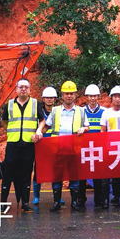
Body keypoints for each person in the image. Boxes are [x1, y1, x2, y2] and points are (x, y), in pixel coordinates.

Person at [40, 81, 90, 212]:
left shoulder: (81, 111)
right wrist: (39, 133)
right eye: (66, 93)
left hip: (74, 148)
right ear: (62, 95)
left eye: (71, 93)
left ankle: (74, 202)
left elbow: (87, 127)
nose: (69, 96)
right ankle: (56, 202)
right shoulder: (55, 110)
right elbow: (46, 126)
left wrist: (83, 129)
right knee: (57, 176)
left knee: (74, 176)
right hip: (58, 148)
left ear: (75, 95)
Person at [0, 78, 45, 213]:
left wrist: (38, 131)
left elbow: (42, 120)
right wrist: (12, 131)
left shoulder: (35, 104)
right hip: (13, 144)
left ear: (30, 89)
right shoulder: (9, 105)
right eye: (21, 87)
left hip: (28, 144)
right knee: (8, 175)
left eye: (26, 87)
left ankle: (25, 203)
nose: (23, 89)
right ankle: (3, 204)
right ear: (16, 89)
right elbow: (4, 122)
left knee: (26, 175)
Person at [32, 86, 57, 205]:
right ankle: (36, 196)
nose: (49, 99)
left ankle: (57, 196)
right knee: (38, 171)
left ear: (55, 99)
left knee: (56, 171)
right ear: (43, 99)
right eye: (47, 97)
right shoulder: (39, 113)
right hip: (41, 145)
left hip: (55, 145)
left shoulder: (58, 112)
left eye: (51, 97)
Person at [84, 84, 108, 208]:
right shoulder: (81, 111)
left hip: (99, 148)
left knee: (98, 175)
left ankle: (99, 200)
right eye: (90, 96)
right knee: (83, 174)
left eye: (95, 96)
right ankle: (80, 199)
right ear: (87, 97)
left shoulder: (105, 111)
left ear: (98, 96)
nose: (93, 98)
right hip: (84, 148)